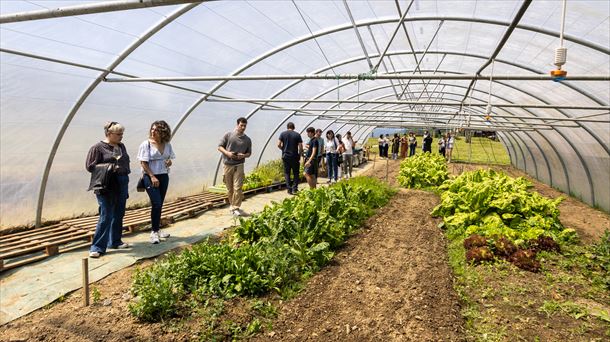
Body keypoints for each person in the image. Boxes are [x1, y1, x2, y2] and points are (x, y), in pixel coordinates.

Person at [85, 121, 131, 258]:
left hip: (122, 182)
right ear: (108, 134)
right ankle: (97, 247)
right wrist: (110, 167)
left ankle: (115, 241)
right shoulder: (97, 147)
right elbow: (90, 166)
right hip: (106, 184)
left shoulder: (121, 146)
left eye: (122, 134)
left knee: (119, 213)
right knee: (106, 215)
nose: (121, 136)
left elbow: (124, 162)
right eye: (118, 134)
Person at [138, 120, 176, 244]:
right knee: (156, 203)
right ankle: (154, 232)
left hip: (164, 176)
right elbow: (143, 162)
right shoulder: (146, 144)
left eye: (156, 130)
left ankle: (158, 229)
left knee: (160, 204)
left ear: (163, 132)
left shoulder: (167, 144)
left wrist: (169, 162)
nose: (153, 131)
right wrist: (152, 176)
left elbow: (169, 158)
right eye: (152, 129)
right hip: (150, 176)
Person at [218, 117, 252, 217]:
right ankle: (232, 206)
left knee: (238, 188)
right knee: (230, 188)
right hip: (228, 164)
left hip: (239, 165)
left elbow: (249, 153)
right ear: (237, 125)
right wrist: (228, 153)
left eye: (245, 126)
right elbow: (219, 146)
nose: (243, 127)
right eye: (241, 125)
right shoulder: (228, 135)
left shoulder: (247, 139)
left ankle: (235, 207)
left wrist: (243, 155)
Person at [277, 122, 303, 195]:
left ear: (287, 127)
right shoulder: (297, 135)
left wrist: (283, 149)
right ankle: (295, 189)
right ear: (293, 127)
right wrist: (299, 155)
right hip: (294, 156)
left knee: (287, 173)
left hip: (286, 156)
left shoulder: (282, 134)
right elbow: (300, 147)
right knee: (296, 173)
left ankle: (289, 189)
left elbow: (278, 144)